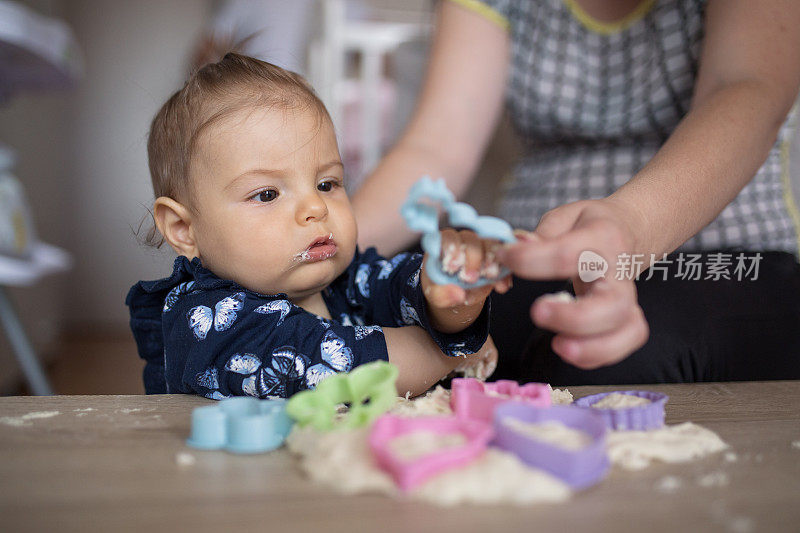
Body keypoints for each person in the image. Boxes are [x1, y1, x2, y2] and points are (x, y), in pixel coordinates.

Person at [352, 0, 800, 384]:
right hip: (536, 255)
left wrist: (628, 227)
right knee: (394, 330)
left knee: (602, 364)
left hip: (727, 256)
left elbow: (744, 85)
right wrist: (325, 251)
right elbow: (437, 146)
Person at [126, 53, 510, 399]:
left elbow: (403, 287)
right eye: (267, 195)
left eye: (327, 184)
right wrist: (453, 351)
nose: (315, 207)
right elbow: (346, 366)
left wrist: (453, 293)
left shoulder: (344, 279)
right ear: (183, 229)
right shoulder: (208, 322)